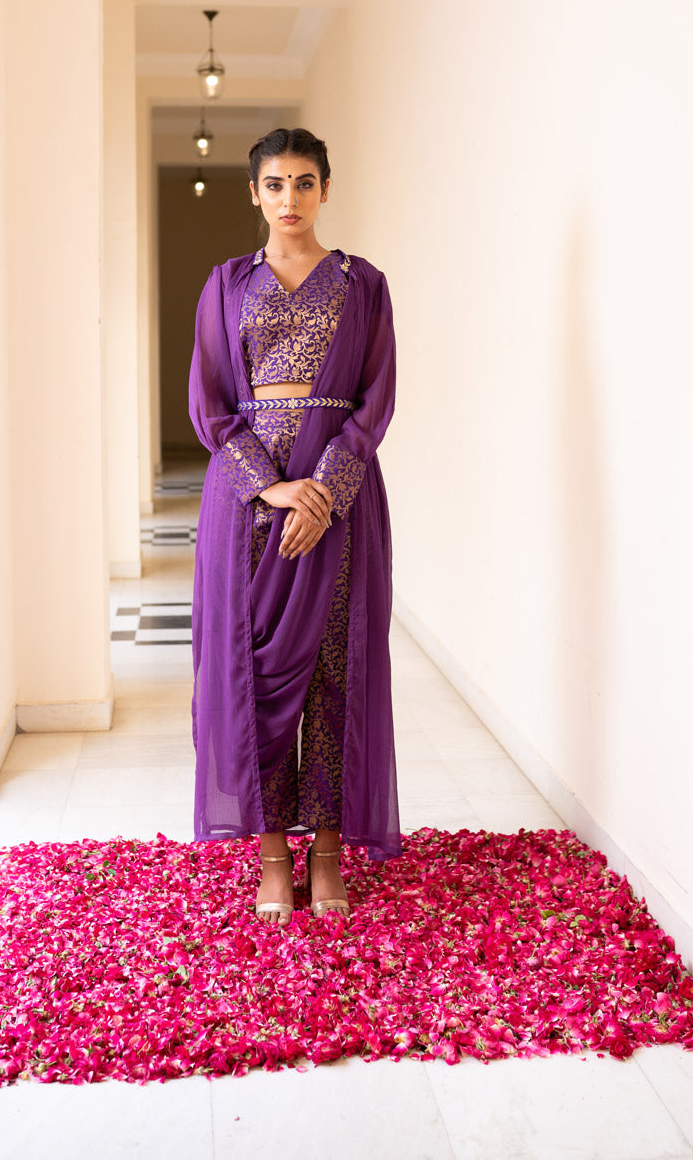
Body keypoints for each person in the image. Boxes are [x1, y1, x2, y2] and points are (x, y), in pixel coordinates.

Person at [188, 126, 401, 926]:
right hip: (248, 510)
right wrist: (275, 492)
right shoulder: (225, 286)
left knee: (336, 668)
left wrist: (325, 490)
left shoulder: (364, 285)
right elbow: (209, 405)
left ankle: (327, 853)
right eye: (274, 185)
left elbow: (375, 399)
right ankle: (274, 856)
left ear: (325, 190)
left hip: (341, 504)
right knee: (254, 675)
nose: (289, 200)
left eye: (304, 184)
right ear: (254, 193)